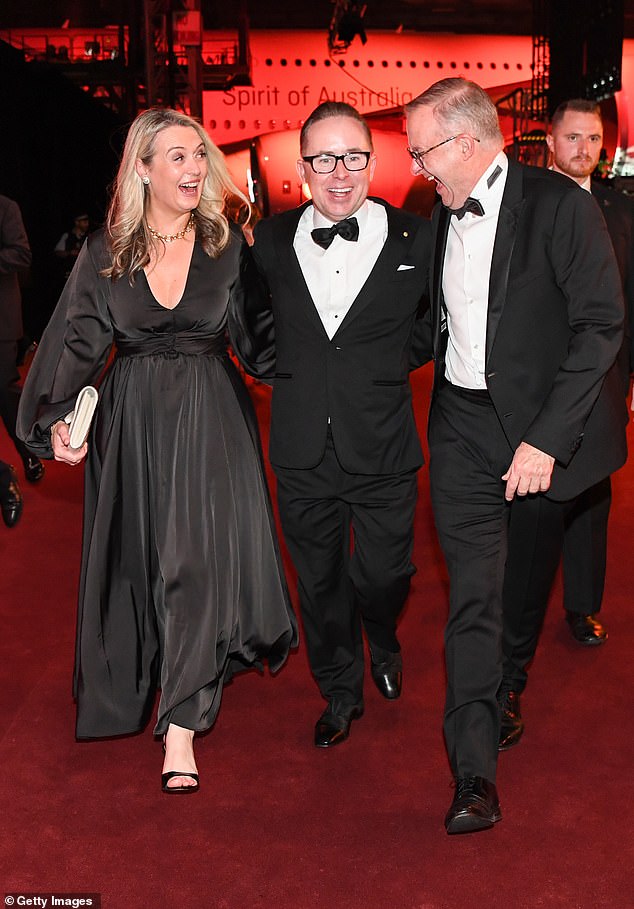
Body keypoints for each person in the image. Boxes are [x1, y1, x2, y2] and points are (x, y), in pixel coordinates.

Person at [17, 108, 297, 793]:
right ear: (142, 168)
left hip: (214, 420)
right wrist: (56, 421)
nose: (194, 168)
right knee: (149, 561)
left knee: (195, 561)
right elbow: (75, 345)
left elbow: (261, 345)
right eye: (176, 156)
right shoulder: (105, 252)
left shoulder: (229, 244)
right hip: (133, 423)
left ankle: (181, 726)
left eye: (198, 156)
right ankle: (164, 675)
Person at [404, 78, 626, 833]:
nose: (416, 165)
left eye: (422, 149)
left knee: (523, 592)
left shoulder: (562, 207)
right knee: (474, 598)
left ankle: (511, 684)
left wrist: (545, 438)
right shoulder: (430, 214)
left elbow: (601, 325)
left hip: (539, 437)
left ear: (467, 142)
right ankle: (474, 778)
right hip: (461, 429)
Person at [231, 101, 431, 748]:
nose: (338, 172)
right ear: (303, 165)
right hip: (300, 449)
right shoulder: (268, 241)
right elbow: (251, 324)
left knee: (383, 575)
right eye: (323, 158)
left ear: (372, 162)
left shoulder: (416, 237)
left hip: (383, 446)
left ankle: (383, 633)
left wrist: (385, 365)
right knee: (318, 585)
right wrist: (281, 373)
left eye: (352, 157)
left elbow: (439, 320)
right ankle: (340, 689)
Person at [499, 99, 634, 750]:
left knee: (593, 493)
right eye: (573, 136)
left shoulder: (622, 207)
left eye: (594, 138)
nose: (584, 146)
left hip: (604, 378)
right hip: (539, 388)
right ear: (549, 140)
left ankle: (582, 604)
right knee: (541, 508)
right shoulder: (524, 205)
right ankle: (511, 657)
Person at [0, 193, 44, 526]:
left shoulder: (6, 207)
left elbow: (21, 254)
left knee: (5, 395)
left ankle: (27, 451)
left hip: (1, 323)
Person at [54, 213, 90, 279]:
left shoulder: (89, 237)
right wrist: (70, 253)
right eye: (84, 222)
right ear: (77, 222)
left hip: (86, 273)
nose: (87, 224)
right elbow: (57, 252)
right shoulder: (67, 236)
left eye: (87, 221)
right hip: (70, 273)